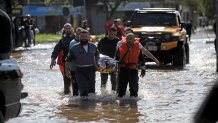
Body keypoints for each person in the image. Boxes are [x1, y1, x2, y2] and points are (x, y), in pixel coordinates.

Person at [115, 33, 160, 97]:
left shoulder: (137, 45)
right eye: (127, 38)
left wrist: (155, 59)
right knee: (121, 89)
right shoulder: (120, 43)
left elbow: (145, 53)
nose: (128, 40)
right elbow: (116, 56)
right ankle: (121, 104)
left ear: (134, 40)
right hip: (123, 68)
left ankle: (134, 104)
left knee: (134, 88)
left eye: (130, 39)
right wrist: (114, 66)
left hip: (133, 69)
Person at [65, 29, 99, 99]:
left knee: (92, 91)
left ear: (89, 37)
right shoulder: (74, 48)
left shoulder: (93, 46)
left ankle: (91, 108)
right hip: (80, 70)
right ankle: (83, 107)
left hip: (91, 70)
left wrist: (96, 65)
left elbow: (97, 55)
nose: (84, 38)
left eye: (85, 36)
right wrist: (67, 71)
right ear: (79, 37)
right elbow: (67, 61)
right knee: (83, 89)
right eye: (82, 36)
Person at [50, 23, 75, 95]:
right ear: (64, 30)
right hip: (66, 64)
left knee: (76, 83)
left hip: (77, 64)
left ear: (72, 29)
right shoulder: (63, 40)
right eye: (66, 28)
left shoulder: (78, 38)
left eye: (69, 28)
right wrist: (53, 59)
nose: (68, 30)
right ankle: (66, 101)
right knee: (67, 86)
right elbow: (56, 50)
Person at [97, 27, 120, 91]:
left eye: (114, 34)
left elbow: (120, 52)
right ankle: (103, 93)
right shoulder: (103, 40)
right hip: (103, 62)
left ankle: (114, 93)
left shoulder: (117, 41)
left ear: (116, 34)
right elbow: (97, 50)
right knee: (104, 79)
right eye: (111, 34)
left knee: (114, 80)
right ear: (108, 33)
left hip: (113, 62)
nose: (112, 35)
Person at [68, 27, 83, 96]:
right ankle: (75, 103)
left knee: (82, 86)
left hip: (83, 68)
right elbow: (71, 57)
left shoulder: (85, 42)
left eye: (80, 34)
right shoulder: (73, 43)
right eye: (77, 34)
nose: (78, 35)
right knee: (75, 87)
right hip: (74, 68)